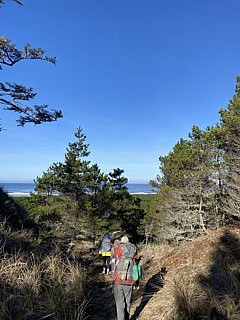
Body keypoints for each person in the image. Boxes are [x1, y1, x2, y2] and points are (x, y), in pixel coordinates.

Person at [113, 236, 137, 320]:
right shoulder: (134, 248)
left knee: (120, 304)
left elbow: (114, 259)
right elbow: (135, 265)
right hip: (130, 280)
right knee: (127, 302)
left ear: (122, 242)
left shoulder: (119, 247)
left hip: (118, 279)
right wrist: (136, 282)